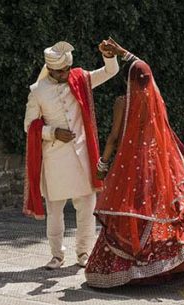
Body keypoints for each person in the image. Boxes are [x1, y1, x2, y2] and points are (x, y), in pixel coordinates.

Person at [83, 54, 184, 288]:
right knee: (162, 212)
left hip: (131, 166)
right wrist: (124, 52)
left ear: (127, 79)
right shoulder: (155, 99)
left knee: (135, 213)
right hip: (157, 165)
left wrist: (103, 164)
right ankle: (171, 261)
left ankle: (136, 265)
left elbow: (114, 137)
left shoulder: (123, 102)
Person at [23, 38, 127, 269]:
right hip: (55, 160)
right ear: (49, 69)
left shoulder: (80, 79)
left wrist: (108, 55)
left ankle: (83, 253)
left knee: (86, 209)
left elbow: (111, 71)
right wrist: (51, 132)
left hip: (82, 157)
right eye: (60, 71)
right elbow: (29, 125)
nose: (65, 74)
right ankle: (57, 255)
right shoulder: (38, 91)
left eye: (68, 69)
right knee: (55, 211)